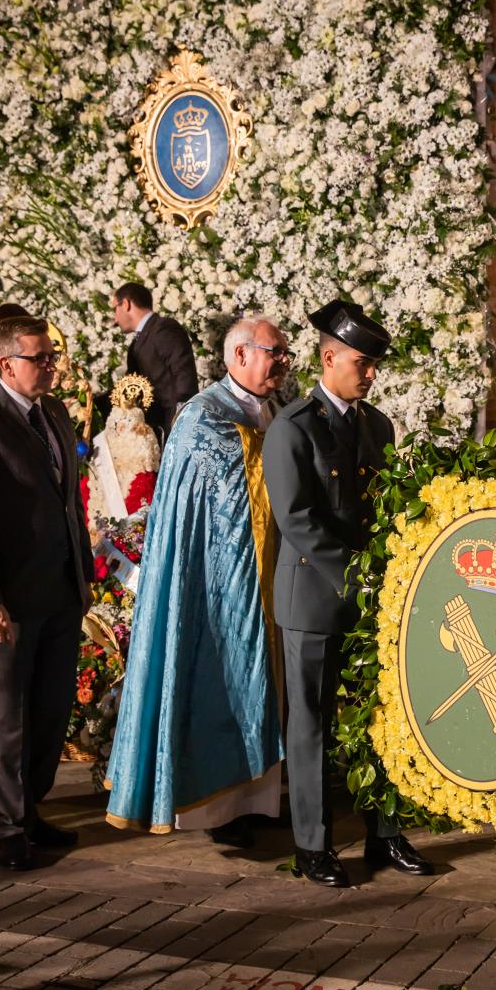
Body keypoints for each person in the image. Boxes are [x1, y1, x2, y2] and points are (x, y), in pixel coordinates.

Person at [263, 301, 434, 888]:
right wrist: (363, 574)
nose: (369, 375)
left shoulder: (377, 425)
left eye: (374, 366)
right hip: (315, 596)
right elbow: (297, 519)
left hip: (372, 598)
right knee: (310, 723)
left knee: (382, 716)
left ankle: (385, 833)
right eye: (361, 363)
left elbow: (383, 509)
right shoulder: (293, 426)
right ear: (328, 357)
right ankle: (313, 845)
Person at [105, 315, 292, 847]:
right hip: (212, 579)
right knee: (224, 680)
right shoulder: (203, 416)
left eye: (283, 355)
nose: (281, 363)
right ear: (239, 356)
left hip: (267, 570)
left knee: (264, 683)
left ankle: (259, 799)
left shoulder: (270, 410)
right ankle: (216, 810)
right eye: (273, 353)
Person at [0, 316, 94, 872]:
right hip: (4, 598)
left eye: (52, 356)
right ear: (6, 364)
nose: (51, 366)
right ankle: (8, 828)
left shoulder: (52, 412)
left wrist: (83, 575)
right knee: (9, 713)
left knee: (51, 712)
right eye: (40, 358)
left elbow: (67, 501)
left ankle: (30, 810)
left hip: (59, 588)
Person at [111, 282, 198, 437]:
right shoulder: (135, 345)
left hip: (175, 431)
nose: (114, 319)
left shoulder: (164, 328)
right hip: (155, 433)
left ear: (125, 304)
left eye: (114, 309)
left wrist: (181, 430)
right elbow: (132, 387)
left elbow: (185, 380)